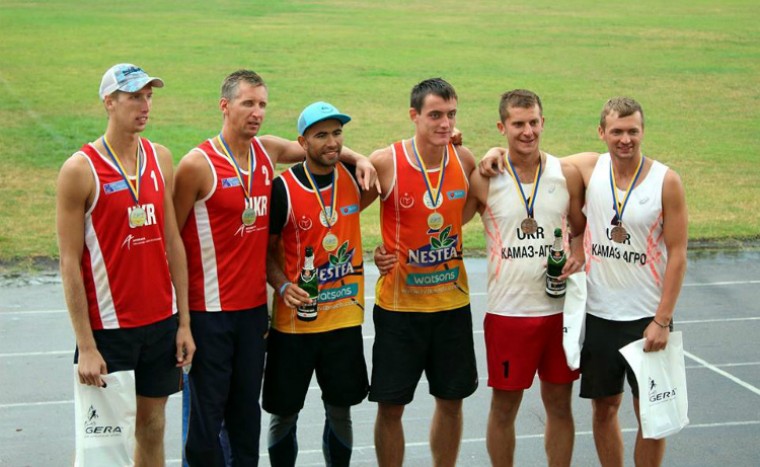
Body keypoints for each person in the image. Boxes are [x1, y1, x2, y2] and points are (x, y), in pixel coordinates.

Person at [173, 71, 376, 466]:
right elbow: (172, 241)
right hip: (208, 312)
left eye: (262, 104)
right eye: (248, 103)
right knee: (205, 423)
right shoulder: (196, 165)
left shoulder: (266, 151)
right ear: (225, 105)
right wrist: (179, 320)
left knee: (246, 417)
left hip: (253, 313)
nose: (256, 112)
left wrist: (360, 157)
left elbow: (325, 149)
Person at [56, 63, 195, 466]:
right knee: (102, 441)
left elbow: (173, 242)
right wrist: (86, 345)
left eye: (149, 96)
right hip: (108, 330)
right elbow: (69, 262)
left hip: (159, 322)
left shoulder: (161, 158)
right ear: (109, 102)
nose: (145, 105)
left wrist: (183, 322)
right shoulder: (79, 170)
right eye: (135, 96)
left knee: (152, 427)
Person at [467, 90, 586, 467]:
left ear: (543, 122)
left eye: (534, 122)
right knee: (504, 408)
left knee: (560, 406)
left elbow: (582, 230)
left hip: (557, 311)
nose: (528, 131)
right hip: (508, 314)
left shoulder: (565, 174)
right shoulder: (485, 178)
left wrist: (578, 252)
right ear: (503, 127)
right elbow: (450, 223)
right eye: (518, 124)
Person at [569, 97, 688, 467]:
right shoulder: (589, 167)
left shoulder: (666, 181)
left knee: (651, 418)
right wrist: (492, 150)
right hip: (601, 315)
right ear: (601, 132)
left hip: (646, 319)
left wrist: (663, 319)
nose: (625, 140)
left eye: (633, 131)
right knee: (604, 410)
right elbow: (532, 161)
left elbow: (679, 255)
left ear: (642, 132)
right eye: (617, 131)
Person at [368, 78, 478, 467]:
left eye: (450, 115)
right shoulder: (387, 161)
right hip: (400, 310)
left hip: (451, 307)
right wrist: (374, 255)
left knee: (451, 402)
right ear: (414, 116)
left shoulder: (465, 161)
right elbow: (344, 207)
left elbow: (467, 212)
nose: (444, 123)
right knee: (391, 407)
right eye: (435, 115)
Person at [263, 101, 377, 467]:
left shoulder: (354, 177)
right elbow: (265, 252)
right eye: (321, 135)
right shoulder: (282, 189)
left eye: (337, 133)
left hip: (342, 321)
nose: (332, 142)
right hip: (295, 324)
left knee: (340, 412)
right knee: (284, 414)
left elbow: (396, 178)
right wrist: (282, 287)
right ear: (303, 141)